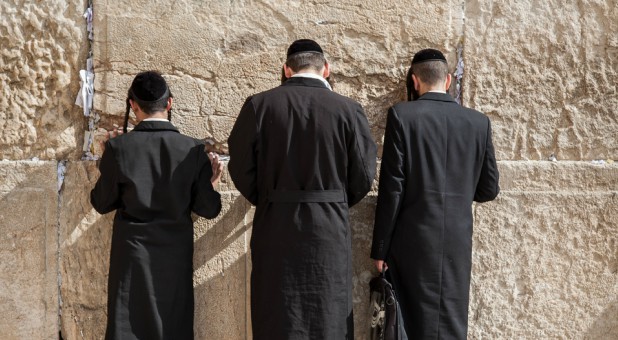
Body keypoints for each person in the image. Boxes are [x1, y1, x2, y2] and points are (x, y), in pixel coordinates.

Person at [228, 39, 377, 340]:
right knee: (329, 314)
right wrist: (334, 199)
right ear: (326, 70)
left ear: (286, 69)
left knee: (277, 313)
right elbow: (364, 174)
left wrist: (269, 198)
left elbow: (240, 166)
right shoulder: (349, 110)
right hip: (328, 230)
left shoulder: (259, 105)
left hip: (276, 227)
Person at [371, 49, 500, 339]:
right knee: (451, 322)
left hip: (411, 240)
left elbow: (392, 188)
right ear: (450, 80)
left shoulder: (402, 115)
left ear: (414, 81)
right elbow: (489, 189)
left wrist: (380, 248)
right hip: (456, 241)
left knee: (409, 322)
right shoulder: (479, 123)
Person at [90, 71, 223, 340]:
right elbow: (208, 209)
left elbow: (102, 203)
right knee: (171, 327)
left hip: (132, 258)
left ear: (133, 106)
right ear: (169, 104)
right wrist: (213, 185)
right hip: (174, 258)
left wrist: (106, 162)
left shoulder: (119, 149)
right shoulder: (192, 150)